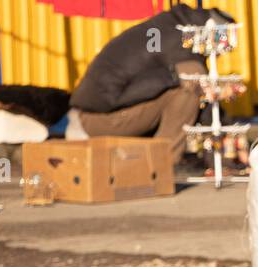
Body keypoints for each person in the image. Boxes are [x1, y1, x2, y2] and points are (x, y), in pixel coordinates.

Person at [69, 4, 235, 163]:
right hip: (98, 120)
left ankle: (157, 159)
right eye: (226, 44)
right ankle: (163, 164)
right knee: (187, 92)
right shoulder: (182, 44)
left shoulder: (172, 25)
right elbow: (205, 100)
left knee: (184, 83)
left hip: (91, 114)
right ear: (214, 34)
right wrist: (228, 142)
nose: (222, 52)